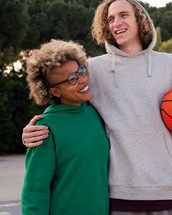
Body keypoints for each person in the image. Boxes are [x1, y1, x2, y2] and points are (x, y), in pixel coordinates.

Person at [22, 0, 172, 215]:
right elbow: (67, 102)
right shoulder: (92, 69)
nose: (116, 23)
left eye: (123, 15)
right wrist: (33, 130)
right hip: (121, 197)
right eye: (110, 19)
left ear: (141, 19)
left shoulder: (171, 65)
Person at [21, 39, 109, 215]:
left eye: (81, 71)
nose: (83, 79)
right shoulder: (45, 127)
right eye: (72, 79)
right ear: (55, 92)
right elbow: (35, 191)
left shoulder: (95, 113)